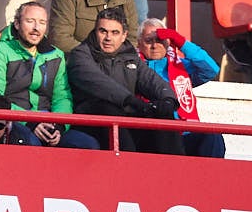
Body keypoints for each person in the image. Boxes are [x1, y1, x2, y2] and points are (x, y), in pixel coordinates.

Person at [0, 1, 98, 149]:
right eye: (30, 21)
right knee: (31, 144)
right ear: (17, 24)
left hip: (48, 123)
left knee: (88, 145)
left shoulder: (56, 55)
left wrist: (58, 127)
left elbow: (62, 97)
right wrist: (30, 122)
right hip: (12, 123)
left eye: (41, 23)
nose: (36, 28)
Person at [66, 8, 182, 154]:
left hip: (126, 121)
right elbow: (101, 85)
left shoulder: (130, 56)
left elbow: (151, 80)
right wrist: (132, 102)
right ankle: (128, 167)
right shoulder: (80, 55)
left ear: (124, 35)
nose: (108, 38)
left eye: (115, 33)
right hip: (91, 123)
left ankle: (173, 168)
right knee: (108, 109)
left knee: (163, 113)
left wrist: (168, 99)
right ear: (95, 31)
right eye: (103, 31)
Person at [137, 18, 226, 158]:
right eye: (149, 41)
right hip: (153, 135)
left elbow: (211, 69)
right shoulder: (132, 67)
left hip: (184, 132)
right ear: (139, 43)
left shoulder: (181, 65)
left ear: (168, 42)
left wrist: (180, 41)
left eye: (160, 40)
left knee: (212, 136)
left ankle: (210, 178)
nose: (155, 46)